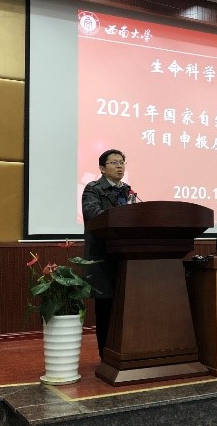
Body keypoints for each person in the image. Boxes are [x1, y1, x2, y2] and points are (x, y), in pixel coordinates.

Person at [81, 149, 132, 359]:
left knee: (126, 308)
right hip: (103, 258)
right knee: (106, 309)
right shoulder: (93, 189)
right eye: (114, 162)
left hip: (126, 257)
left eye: (122, 162)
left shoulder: (127, 191)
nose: (120, 166)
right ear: (102, 168)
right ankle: (105, 356)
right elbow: (93, 215)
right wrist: (122, 218)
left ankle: (124, 353)